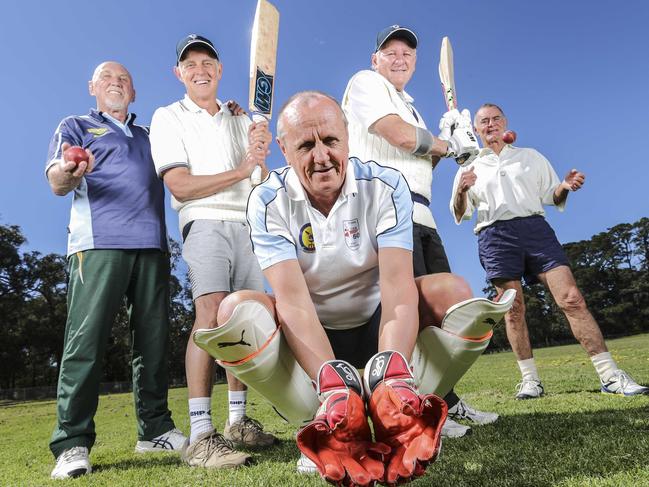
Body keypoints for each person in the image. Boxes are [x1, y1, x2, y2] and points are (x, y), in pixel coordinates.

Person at [193, 92, 515, 486]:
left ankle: (400, 407)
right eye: (306, 145)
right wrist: (333, 385)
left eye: (330, 141)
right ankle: (326, 418)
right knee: (234, 311)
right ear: (283, 149)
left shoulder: (385, 185)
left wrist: (391, 377)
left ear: (347, 136)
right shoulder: (266, 201)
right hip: (311, 335)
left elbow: (397, 289)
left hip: (377, 321)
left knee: (455, 292)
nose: (322, 156)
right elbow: (293, 303)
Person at [341, 25, 495, 437]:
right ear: (376, 59)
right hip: (384, 212)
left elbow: (422, 162)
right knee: (403, 312)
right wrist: (448, 145)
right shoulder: (365, 83)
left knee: (438, 315)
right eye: (389, 52)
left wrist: (451, 140)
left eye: (407, 54)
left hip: (421, 215)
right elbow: (397, 135)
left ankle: (444, 401)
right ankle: (404, 405)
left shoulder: (411, 107)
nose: (398, 58)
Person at [451, 103, 649, 399]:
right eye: (484, 121)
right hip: (495, 236)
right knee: (514, 310)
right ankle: (531, 381)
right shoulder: (468, 166)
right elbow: (459, 213)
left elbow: (551, 196)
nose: (490, 124)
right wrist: (462, 191)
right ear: (476, 129)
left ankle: (610, 376)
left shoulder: (530, 157)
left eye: (495, 119)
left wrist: (566, 186)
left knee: (572, 298)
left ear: (505, 123)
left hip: (536, 231)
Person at [46, 62, 185, 479]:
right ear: (92, 87)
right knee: (85, 342)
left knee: (154, 343)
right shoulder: (76, 125)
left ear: (134, 92)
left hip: (153, 246)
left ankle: (155, 429)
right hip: (98, 244)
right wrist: (70, 172)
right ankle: (71, 443)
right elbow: (56, 179)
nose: (116, 83)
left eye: (124, 79)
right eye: (107, 78)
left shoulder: (150, 135)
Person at [149, 34, 276, 469]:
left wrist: (260, 152)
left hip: (248, 224)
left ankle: (238, 423)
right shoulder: (168, 116)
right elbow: (180, 184)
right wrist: (243, 168)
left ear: (220, 71)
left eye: (207, 62)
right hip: (203, 220)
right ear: (178, 73)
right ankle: (201, 434)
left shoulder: (241, 118)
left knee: (242, 322)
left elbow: (259, 180)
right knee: (209, 316)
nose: (199, 69)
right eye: (190, 64)